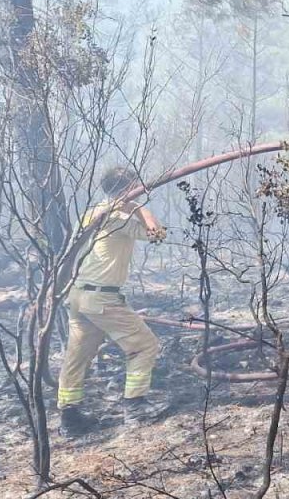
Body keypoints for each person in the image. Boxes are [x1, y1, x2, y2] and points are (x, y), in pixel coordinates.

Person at [57, 166, 167, 436]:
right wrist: (141, 209)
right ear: (128, 188)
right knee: (144, 346)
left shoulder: (91, 214)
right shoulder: (119, 218)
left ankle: (69, 417)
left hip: (78, 295)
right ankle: (135, 406)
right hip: (102, 298)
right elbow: (157, 234)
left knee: (77, 356)